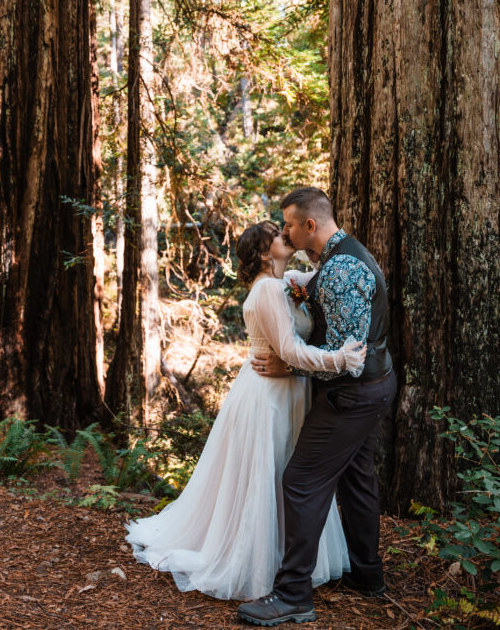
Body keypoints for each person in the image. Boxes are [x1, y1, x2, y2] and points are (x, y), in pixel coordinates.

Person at [124, 220, 366, 601]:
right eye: (276, 234)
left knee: (285, 470)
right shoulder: (269, 288)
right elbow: (288, 351)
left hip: (287, 389)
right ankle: (260, 562)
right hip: (269, 394)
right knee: (270, 472)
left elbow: (316, 272)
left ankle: (284, 555)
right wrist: (339, 360)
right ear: (263, 252)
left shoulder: (283, 283)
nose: (284, 236)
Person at [238, 187, 397, 626]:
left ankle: (292, 595)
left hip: (353, 394)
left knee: (301, 480)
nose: (284, 231)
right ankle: (367, 575)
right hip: (370, 389)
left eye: (288, 223)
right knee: (356, 480)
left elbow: (347, 355)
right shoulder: (335, 259)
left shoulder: (342, 268)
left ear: (310, 225)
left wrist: (292, 370)